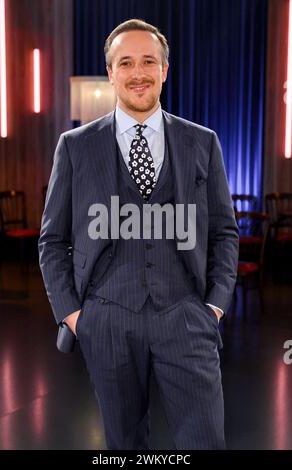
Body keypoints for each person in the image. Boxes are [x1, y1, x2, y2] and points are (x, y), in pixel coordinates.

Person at [39, 18, 239, 450]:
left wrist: (215, 306)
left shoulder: (202, 142)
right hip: (106, 319)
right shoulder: (74, 146)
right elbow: (52, 241)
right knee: (123, 445)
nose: (138, 73)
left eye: (149, 61)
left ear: (165, 70)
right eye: (125, 63)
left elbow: (224, 232)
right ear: (110, 73)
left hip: (187, 316)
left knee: (206, 441)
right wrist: (76, 316)